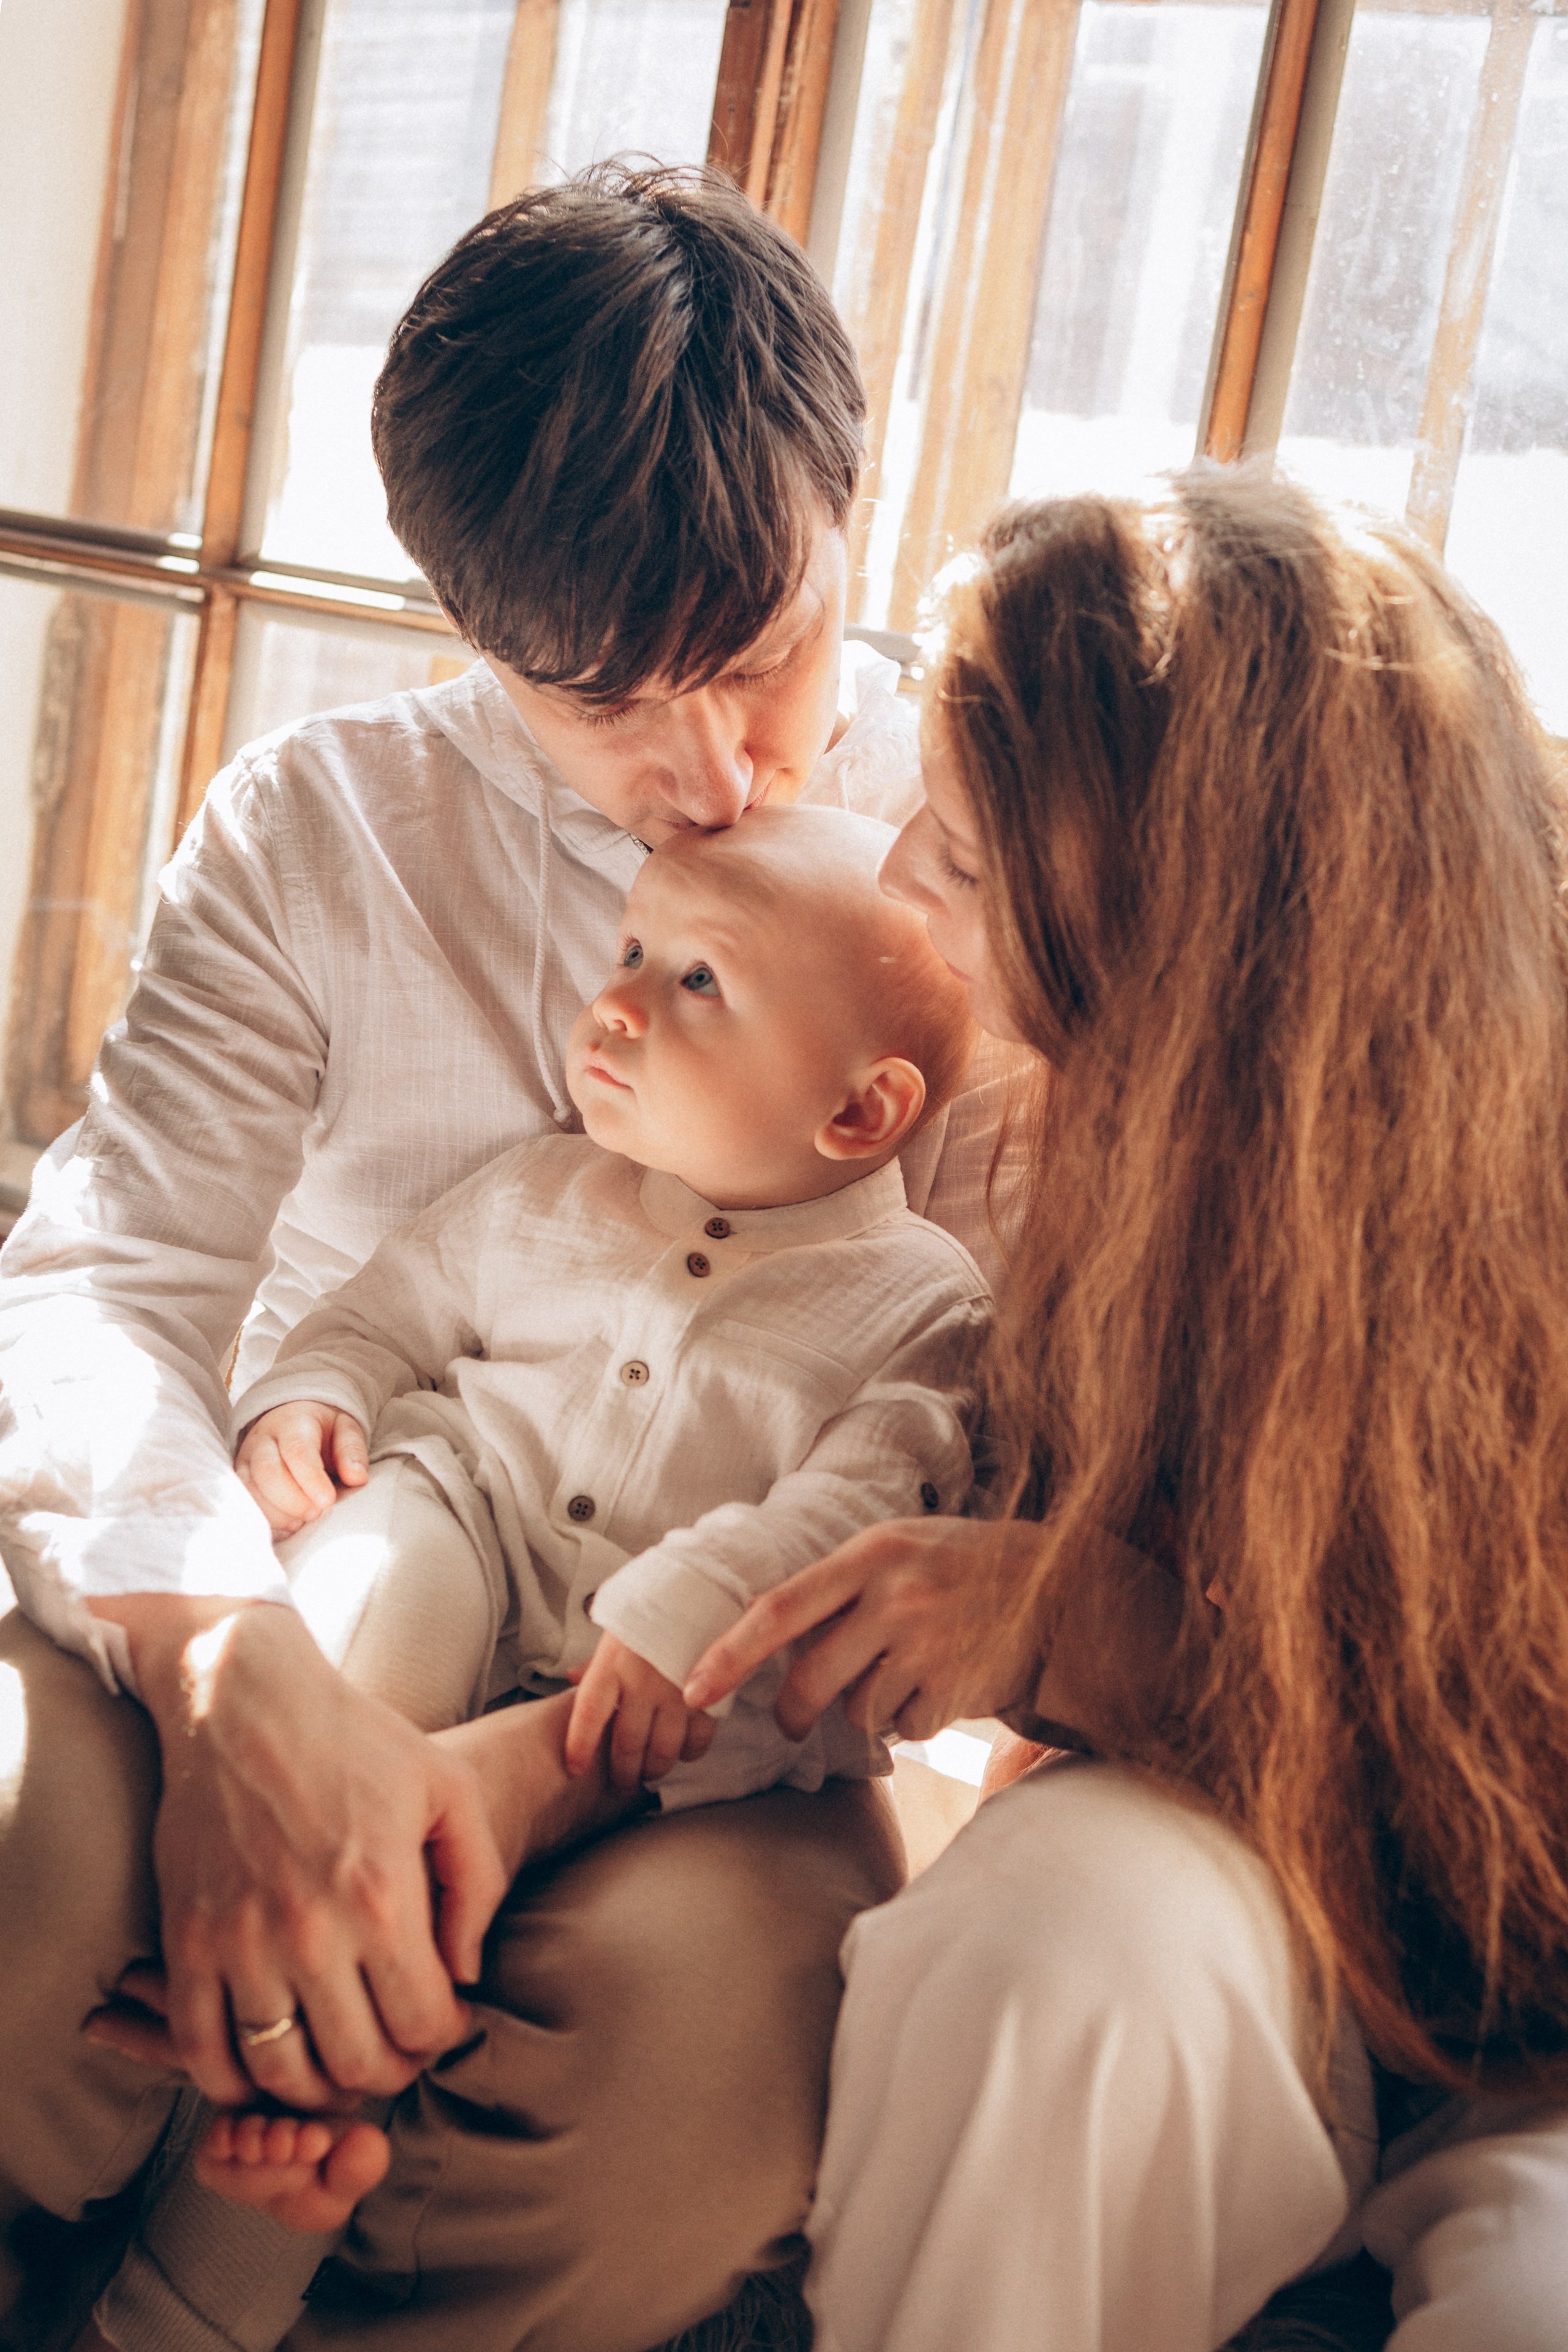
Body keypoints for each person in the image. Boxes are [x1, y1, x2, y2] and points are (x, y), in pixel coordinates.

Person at [0, 165, 1014, 2352]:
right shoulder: (323, 823)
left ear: (858, 502)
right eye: (605, 705)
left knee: (666, 2072)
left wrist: (543, 1759)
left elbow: (990, 1414)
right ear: (470, 637)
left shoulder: (986, 850)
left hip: (716, 1707)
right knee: (24, 1865)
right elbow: (103, 1281)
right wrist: (226, 1684)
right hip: (308, 1564)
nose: (717, 766)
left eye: (765, 659)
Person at [686, 468, 1568, 2350]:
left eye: (971, 860)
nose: (900, 879)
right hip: (1273, 1924)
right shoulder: (1082, 1135)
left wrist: (1091, 1618)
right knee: (1046, 1954)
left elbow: (1506, 1848)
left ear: (1209, 938)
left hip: (1530, 2012)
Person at [160, 802, 987, 2233]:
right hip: (459, 1521)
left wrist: (686, 1607)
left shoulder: (922, 1303)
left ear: (858, 1111)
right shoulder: (540, 1186)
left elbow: (865, 1501)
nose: (611, 1005)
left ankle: (294, 2116)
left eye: (696, 982)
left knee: (638, 1822)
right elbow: (384, 1311)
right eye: (628, 949)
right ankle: (301, 2010)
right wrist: (308, 1398)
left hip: (671, 1694)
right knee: (380, 1588)